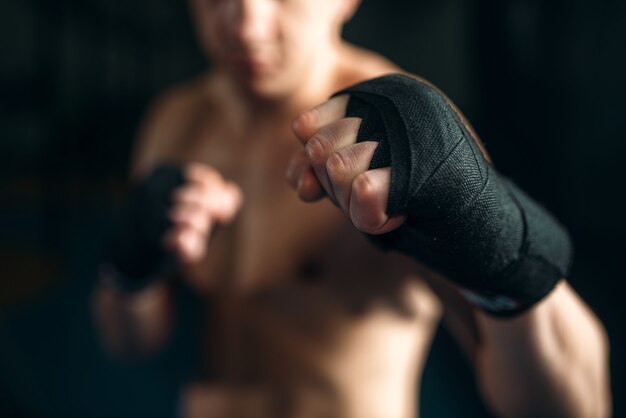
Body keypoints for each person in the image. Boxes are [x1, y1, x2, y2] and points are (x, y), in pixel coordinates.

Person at [93, 0, 612, 417]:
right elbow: (128, 343)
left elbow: (577, 405)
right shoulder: (176, 122)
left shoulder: (410, 140)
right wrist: (136, 261)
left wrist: (494, 239)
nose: (244, 23)